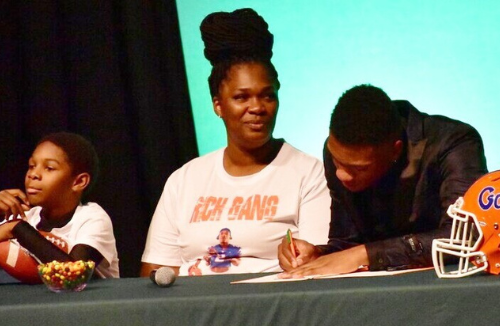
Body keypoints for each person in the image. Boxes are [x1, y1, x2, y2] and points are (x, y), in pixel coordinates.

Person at [140, 8, 330, 277]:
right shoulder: (184, 180)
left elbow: (315, 264)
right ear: (218, 105)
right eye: (242, 97)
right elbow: (156, 270)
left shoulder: (308, 173)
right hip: (191, 310)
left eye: (267, 96)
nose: (257, 107)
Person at [278, 84, 488, 276]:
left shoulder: (453, 143)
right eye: (336, 161)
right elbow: (347, 242)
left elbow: (467, 235)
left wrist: (367, 254)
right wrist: (318, 254)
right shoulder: (340, 152)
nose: (342, 174)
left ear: (395, 150)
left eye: (358, 168)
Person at [0, 132, 119, 280]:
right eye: (31, 166)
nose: (33, 174)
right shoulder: (26, 217)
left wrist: (18, 228)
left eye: (49, 168)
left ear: (79, 182)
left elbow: (74, 274)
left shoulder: (92, 218)